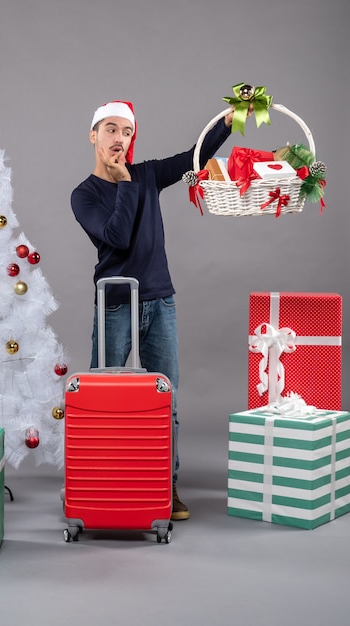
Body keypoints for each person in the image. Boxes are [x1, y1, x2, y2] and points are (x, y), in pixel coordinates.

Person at [71, 99, 236, 521]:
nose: (119, 139)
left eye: (126, 132)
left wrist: (227, 123)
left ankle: (167, 484)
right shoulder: (84, 195)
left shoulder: (148, 175)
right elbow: (118, 237)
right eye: (111, 129)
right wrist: (126, 183)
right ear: (93, 135)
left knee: (168, 401)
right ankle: (95, 480)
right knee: (101, 397)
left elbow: (193, 157)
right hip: (114, 305)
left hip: (159, 302)